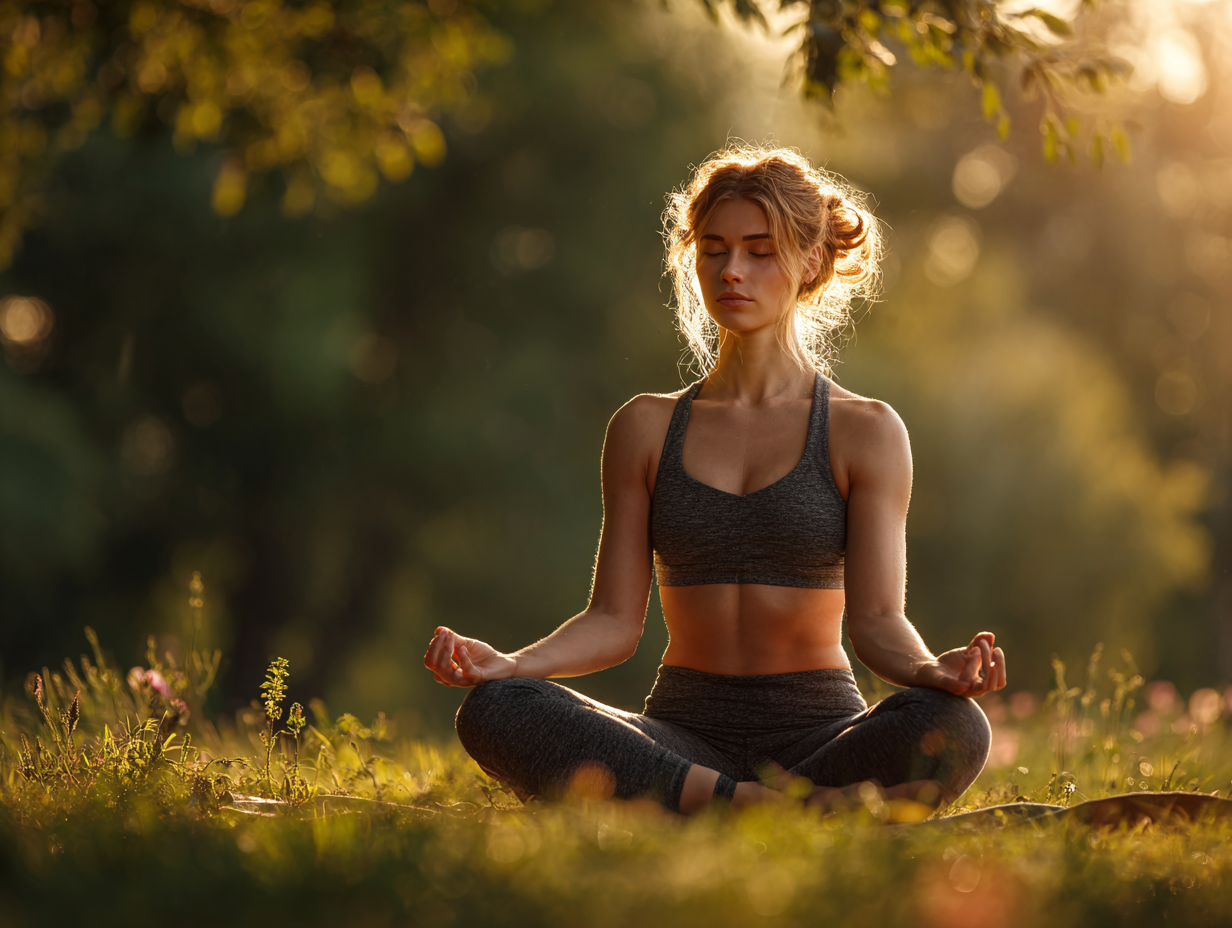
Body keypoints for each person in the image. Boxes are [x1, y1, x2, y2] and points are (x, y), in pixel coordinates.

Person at [423, 143, 1003, 815]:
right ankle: (774, 809)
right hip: (679, 732)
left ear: (811, 261)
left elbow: (877, 622)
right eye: (714, 249)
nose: (733, 271)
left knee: (954, 727)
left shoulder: (864, 430)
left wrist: (934, 671)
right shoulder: (644, 427)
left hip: (821, 732)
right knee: (496, 708)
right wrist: (510, 664)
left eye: (760, 251)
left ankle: (706, 807)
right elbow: (613, 621)